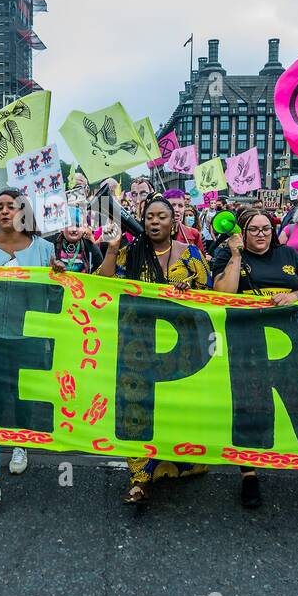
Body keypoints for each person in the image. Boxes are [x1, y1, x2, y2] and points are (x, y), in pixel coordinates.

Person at [99, 195, 212, 505]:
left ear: (173, 221)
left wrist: (191, 291)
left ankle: (178, 462)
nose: (155, 222)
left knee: (174, 405)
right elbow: (102, 282)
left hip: (181, 348)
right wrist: (111, 247)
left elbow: (210, 291)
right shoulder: (129, 253)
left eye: (162, 216)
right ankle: (139, 477)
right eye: (149, 217)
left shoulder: (189, 254)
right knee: (137, 406)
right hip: (137, 345)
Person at [212, 208, 298, 509]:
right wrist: (234, 256)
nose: (261, 234)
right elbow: (223, 293)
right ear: (243, 233)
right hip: (246, 341)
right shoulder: (228, 255)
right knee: (250, 402)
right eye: (254, 229)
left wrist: (293, 296)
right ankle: (249, 473)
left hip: (287, 342)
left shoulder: (288, 256)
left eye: (266, 229)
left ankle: (285, 452)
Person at [0, 188, 62, 505]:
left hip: (28, 338)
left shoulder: (44, 249)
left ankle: (20, 442)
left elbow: (56, 296)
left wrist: (61, 277)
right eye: (0, 207)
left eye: (13, 206)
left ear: (25, 213)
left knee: (22, 398)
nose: (5, 211)